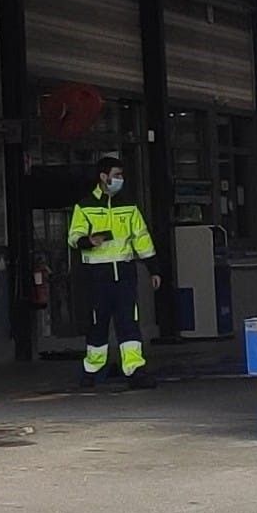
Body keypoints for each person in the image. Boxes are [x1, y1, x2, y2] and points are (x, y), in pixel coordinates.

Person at [67, 156, 161, 386]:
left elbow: (142, 239)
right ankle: (92, 369)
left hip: (125, 273)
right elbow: (73, 238)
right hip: (96, 275)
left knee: (128, 322)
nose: (120, 179)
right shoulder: (85, 206)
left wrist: (153, 269)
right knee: (97, 323)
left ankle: (134, 370)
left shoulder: (129, 206)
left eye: (121, 175)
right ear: (103, 176)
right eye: (116, 175)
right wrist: (89, 240)